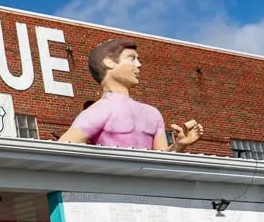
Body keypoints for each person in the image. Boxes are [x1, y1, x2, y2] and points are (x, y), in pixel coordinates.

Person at [58, 37, 204, 151]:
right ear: (109, 62)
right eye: (132, 58)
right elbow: (62, 149)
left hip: (148, 186)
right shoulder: (99, 111)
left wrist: (179, 145)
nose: (139, 64)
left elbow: (161, 159)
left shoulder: (152, 114)